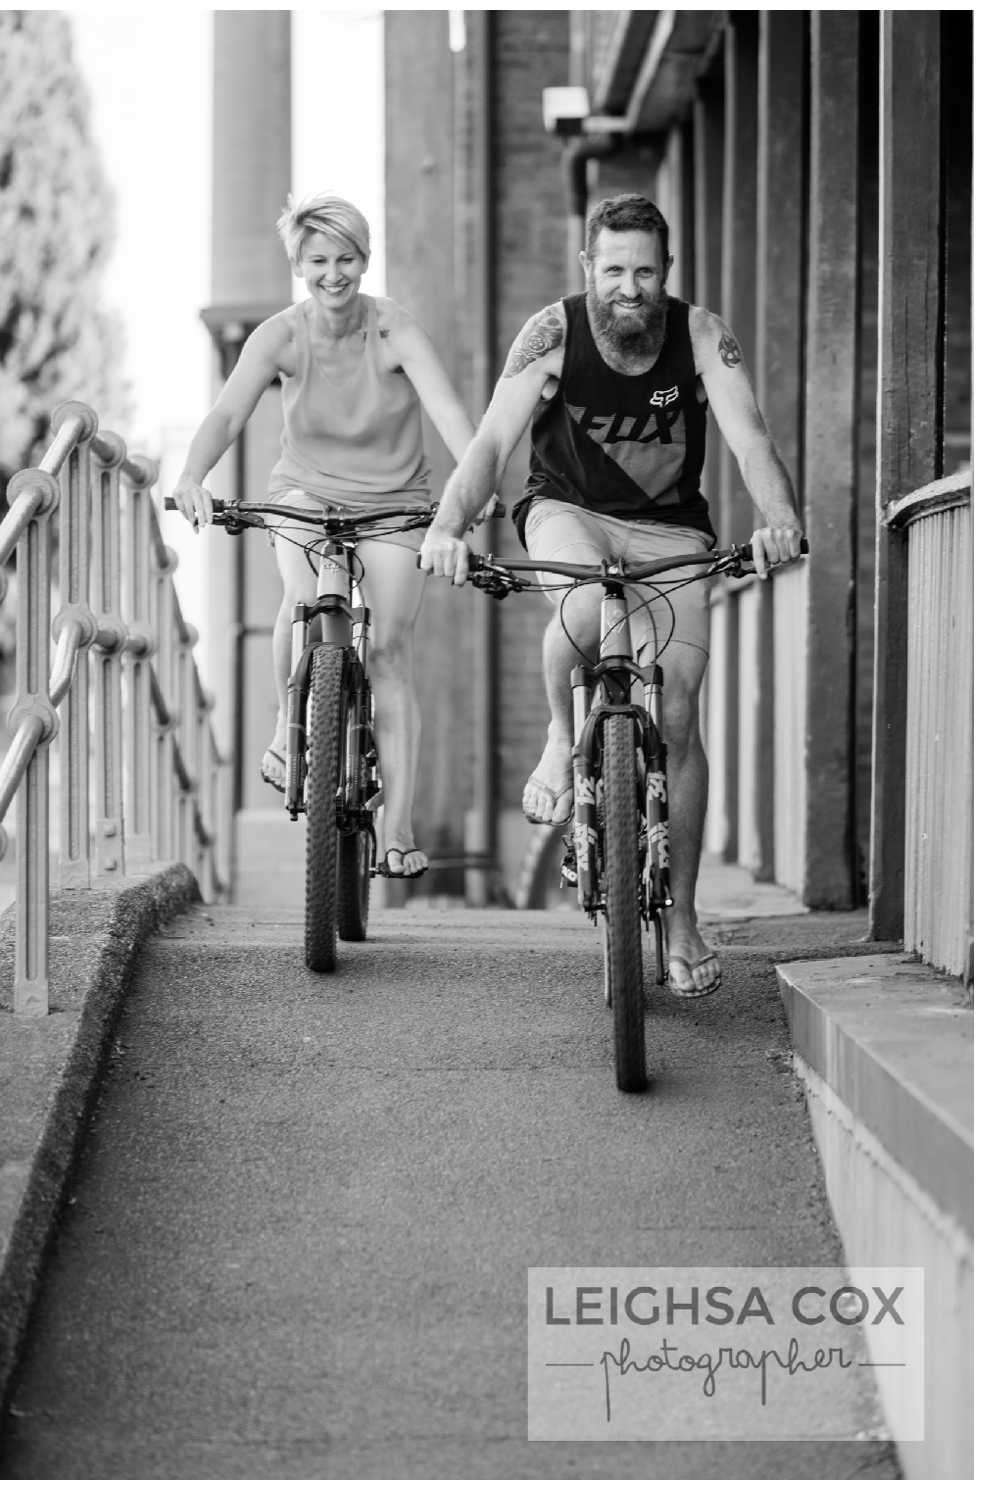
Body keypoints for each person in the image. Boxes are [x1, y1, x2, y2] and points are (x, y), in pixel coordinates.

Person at [418, 193, 803, 994]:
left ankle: (686, 921)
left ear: (666, 273)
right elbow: (492, 439)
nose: (630, 287)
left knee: (685, 711)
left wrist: (778, 521)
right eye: (615, 269)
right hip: (569, 514)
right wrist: (449, 525)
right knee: (589, 606)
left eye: (646, 271)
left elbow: (749, 435)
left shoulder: (700, 335)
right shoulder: (552, 334)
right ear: (588, 267)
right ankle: (563, 739)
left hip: (672, 535)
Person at [172, 191, 486, 878]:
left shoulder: (395, 330)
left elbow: (454, 417)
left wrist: (470, 496)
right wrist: (193, 475)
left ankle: (396, 826)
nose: (333, 274)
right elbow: (227, 415)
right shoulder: (281, 334)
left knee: (393, 651)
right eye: (318, 260)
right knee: (300, 595)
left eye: (347, 258)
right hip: (306, 492)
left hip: (394, 502)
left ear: (365, 260)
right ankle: (289, 733)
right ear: (299, 264)